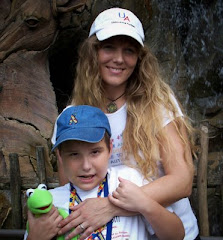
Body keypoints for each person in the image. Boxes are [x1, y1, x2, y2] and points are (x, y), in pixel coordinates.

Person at [51, 7, 199, 240]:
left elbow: (182, 181)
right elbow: (70, 188)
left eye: (129, 50)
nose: (119, 59)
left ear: (139, 58)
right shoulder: (73, 116)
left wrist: (112, 207)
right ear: (93, 51)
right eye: (109, 47)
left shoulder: (157, 102)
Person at [25, 105, 187, 240]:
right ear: (60, 156)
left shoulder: (129, 180)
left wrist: (145, 204)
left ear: (110, 148)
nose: (86, 166)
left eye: (95, 152)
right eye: (74, 154)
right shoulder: (49, 206)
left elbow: (177, 235)